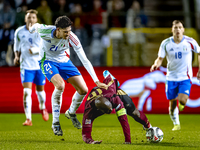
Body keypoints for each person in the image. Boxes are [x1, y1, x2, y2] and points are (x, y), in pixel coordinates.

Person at [29, 15, 108, 136]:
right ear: (58, 29)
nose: (68, 34)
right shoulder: (45, 31)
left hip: (65, 61)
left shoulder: (72, 38)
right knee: (60, 86)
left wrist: (96, 81)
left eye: (69, 31)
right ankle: (55, 122)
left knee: (83, 90)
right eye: (65, 32)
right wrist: (30, 29)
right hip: (48, 61)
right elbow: (36, 26)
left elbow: (85, 60)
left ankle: (71, 112)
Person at [150, 20, 200, 131]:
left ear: (183, 29)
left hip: (185, 77)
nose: (177, 29)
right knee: (172, 104)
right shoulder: (166, 43)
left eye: (179, 27)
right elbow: (160, 59)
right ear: (172, 30)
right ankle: (176, 123)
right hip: (171, 78)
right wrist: (155, 64)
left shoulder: (190, 41)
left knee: (182, 100)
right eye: (175, 27)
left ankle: (181, 104)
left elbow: (199, 52)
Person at [82, 71, 151, 144]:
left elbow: (123, 119)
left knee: (134, 112)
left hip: (116, 93)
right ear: (99, 110)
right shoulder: (89, 112)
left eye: (111, 108)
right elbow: (85, 134)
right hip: (104, 94)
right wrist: (91, 142)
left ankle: (149, 126)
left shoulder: (114, 98)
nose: (111, 110)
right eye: (108, 111)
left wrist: (128, 140)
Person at [13, 9, 49, 126]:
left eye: (33, 17)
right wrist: (16, 57)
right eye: (29, 17)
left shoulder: (41, 32)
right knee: (27, 92)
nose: (31, 19)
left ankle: (43, 107)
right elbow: (16, 46)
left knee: (40, 92)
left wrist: (35, 50)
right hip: (26, 66)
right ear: (25, 19)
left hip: (39, 65)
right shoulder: (19, 31)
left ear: (36, 19)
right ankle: (28, 119)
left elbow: (46, 48)